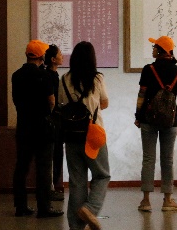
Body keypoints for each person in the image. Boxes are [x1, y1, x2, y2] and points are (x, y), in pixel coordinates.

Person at [58, 41, 110, 230]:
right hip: (93, 134)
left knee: (77, 181)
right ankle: (90, 208)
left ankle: (76, 226)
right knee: (102, 175)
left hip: (71, 135)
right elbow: (104, 103)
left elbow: (62, 105)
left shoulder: (64, 79)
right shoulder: (97, 78)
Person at [134, 36, 177, 212]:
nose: (153, 50)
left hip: (148, 120)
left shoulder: (148, 70)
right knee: (168, 160)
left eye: (154, 47)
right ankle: (167, 200)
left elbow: (141, 95)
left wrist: (138, 116)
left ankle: (146, 201)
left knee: (148, 159)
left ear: (161, 50)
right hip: (170, 122)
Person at [12, 39, 64, 218]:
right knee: (43, 168)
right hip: (42, 127)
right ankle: (44, 207)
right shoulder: (44, 76)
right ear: (42, 56)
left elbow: (16, 100)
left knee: (21, 167)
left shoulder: (17, 75)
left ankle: (20, 206)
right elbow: (51, 101)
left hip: (23, 126)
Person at [44, 44, 65, 201]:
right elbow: (52, 101)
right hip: (53, 121)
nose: (62, 56)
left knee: (55, 153)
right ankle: (50, 188)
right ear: (53, 59)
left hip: (54, 120)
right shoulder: (50, 76)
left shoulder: (53, 75)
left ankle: (51, 187)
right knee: (53, 154)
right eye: (59, 54)